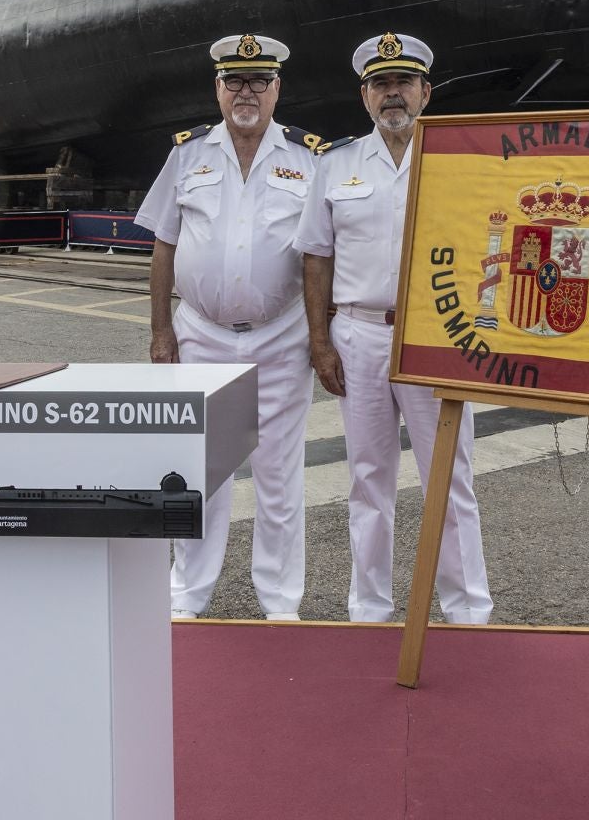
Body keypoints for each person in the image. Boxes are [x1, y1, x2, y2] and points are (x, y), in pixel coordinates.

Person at [294, 32, 492, 624]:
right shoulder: (337, 165)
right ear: (365, 97)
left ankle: (466, 607)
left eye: (403, 83)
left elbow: (493, 248)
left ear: (426, 92)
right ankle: (370, 606)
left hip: (440, 334)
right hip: (359, 335)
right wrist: (319, 343)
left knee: (450, 477)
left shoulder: (462, 161)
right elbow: (315, 257)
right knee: (368, 478)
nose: (392, 95)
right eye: (381, 85)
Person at [135, 33, 323, 621]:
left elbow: (320, 254)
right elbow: (164, 245)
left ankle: (280, 599)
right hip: (204, 333)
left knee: (279, 473)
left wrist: (321, 337)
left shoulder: (307, 157)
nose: (247, 93)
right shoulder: (187, 155)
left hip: (281, 334)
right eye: (235, 82)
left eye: (259, 82)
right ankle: (188, 595)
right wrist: (161, 331)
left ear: (276, 89)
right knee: (203, 472)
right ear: (218, 89)